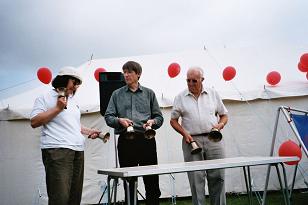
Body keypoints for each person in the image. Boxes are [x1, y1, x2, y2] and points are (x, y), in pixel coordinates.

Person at [30, 66, 101, 205]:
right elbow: (34, 121)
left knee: (74, 197)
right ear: (63, 80)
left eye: (78, 85)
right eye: (74, 83)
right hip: (57, 150)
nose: (76, 88)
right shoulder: (44, 97)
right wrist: (57, 108)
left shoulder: (73, 100)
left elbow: (74, 125)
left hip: (77, 151)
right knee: (60, 198)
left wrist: (89, 131)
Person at [104, 61, 163, 205]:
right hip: (126, 141)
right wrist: (119, 121)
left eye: (129, 72)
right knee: (129, 181)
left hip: (146, 139)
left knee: (152, 181)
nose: (126, 75)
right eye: (124, 72)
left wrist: (152, 122)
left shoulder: (149, 93)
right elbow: (108, 117)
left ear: (138, 74)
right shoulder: (116, 94)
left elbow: (159, 118)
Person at [170, 67, 228, 205]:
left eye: (194, 81)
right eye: (188, 80)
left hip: (214, 139)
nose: (190, 83)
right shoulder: (180, 97)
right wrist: (184, 133)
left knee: (218, 177)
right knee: (196, 180)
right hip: (191, 141)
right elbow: (173, 120)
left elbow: (224, 115)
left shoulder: (213, 93)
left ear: (202, 80)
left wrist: (219, 125)